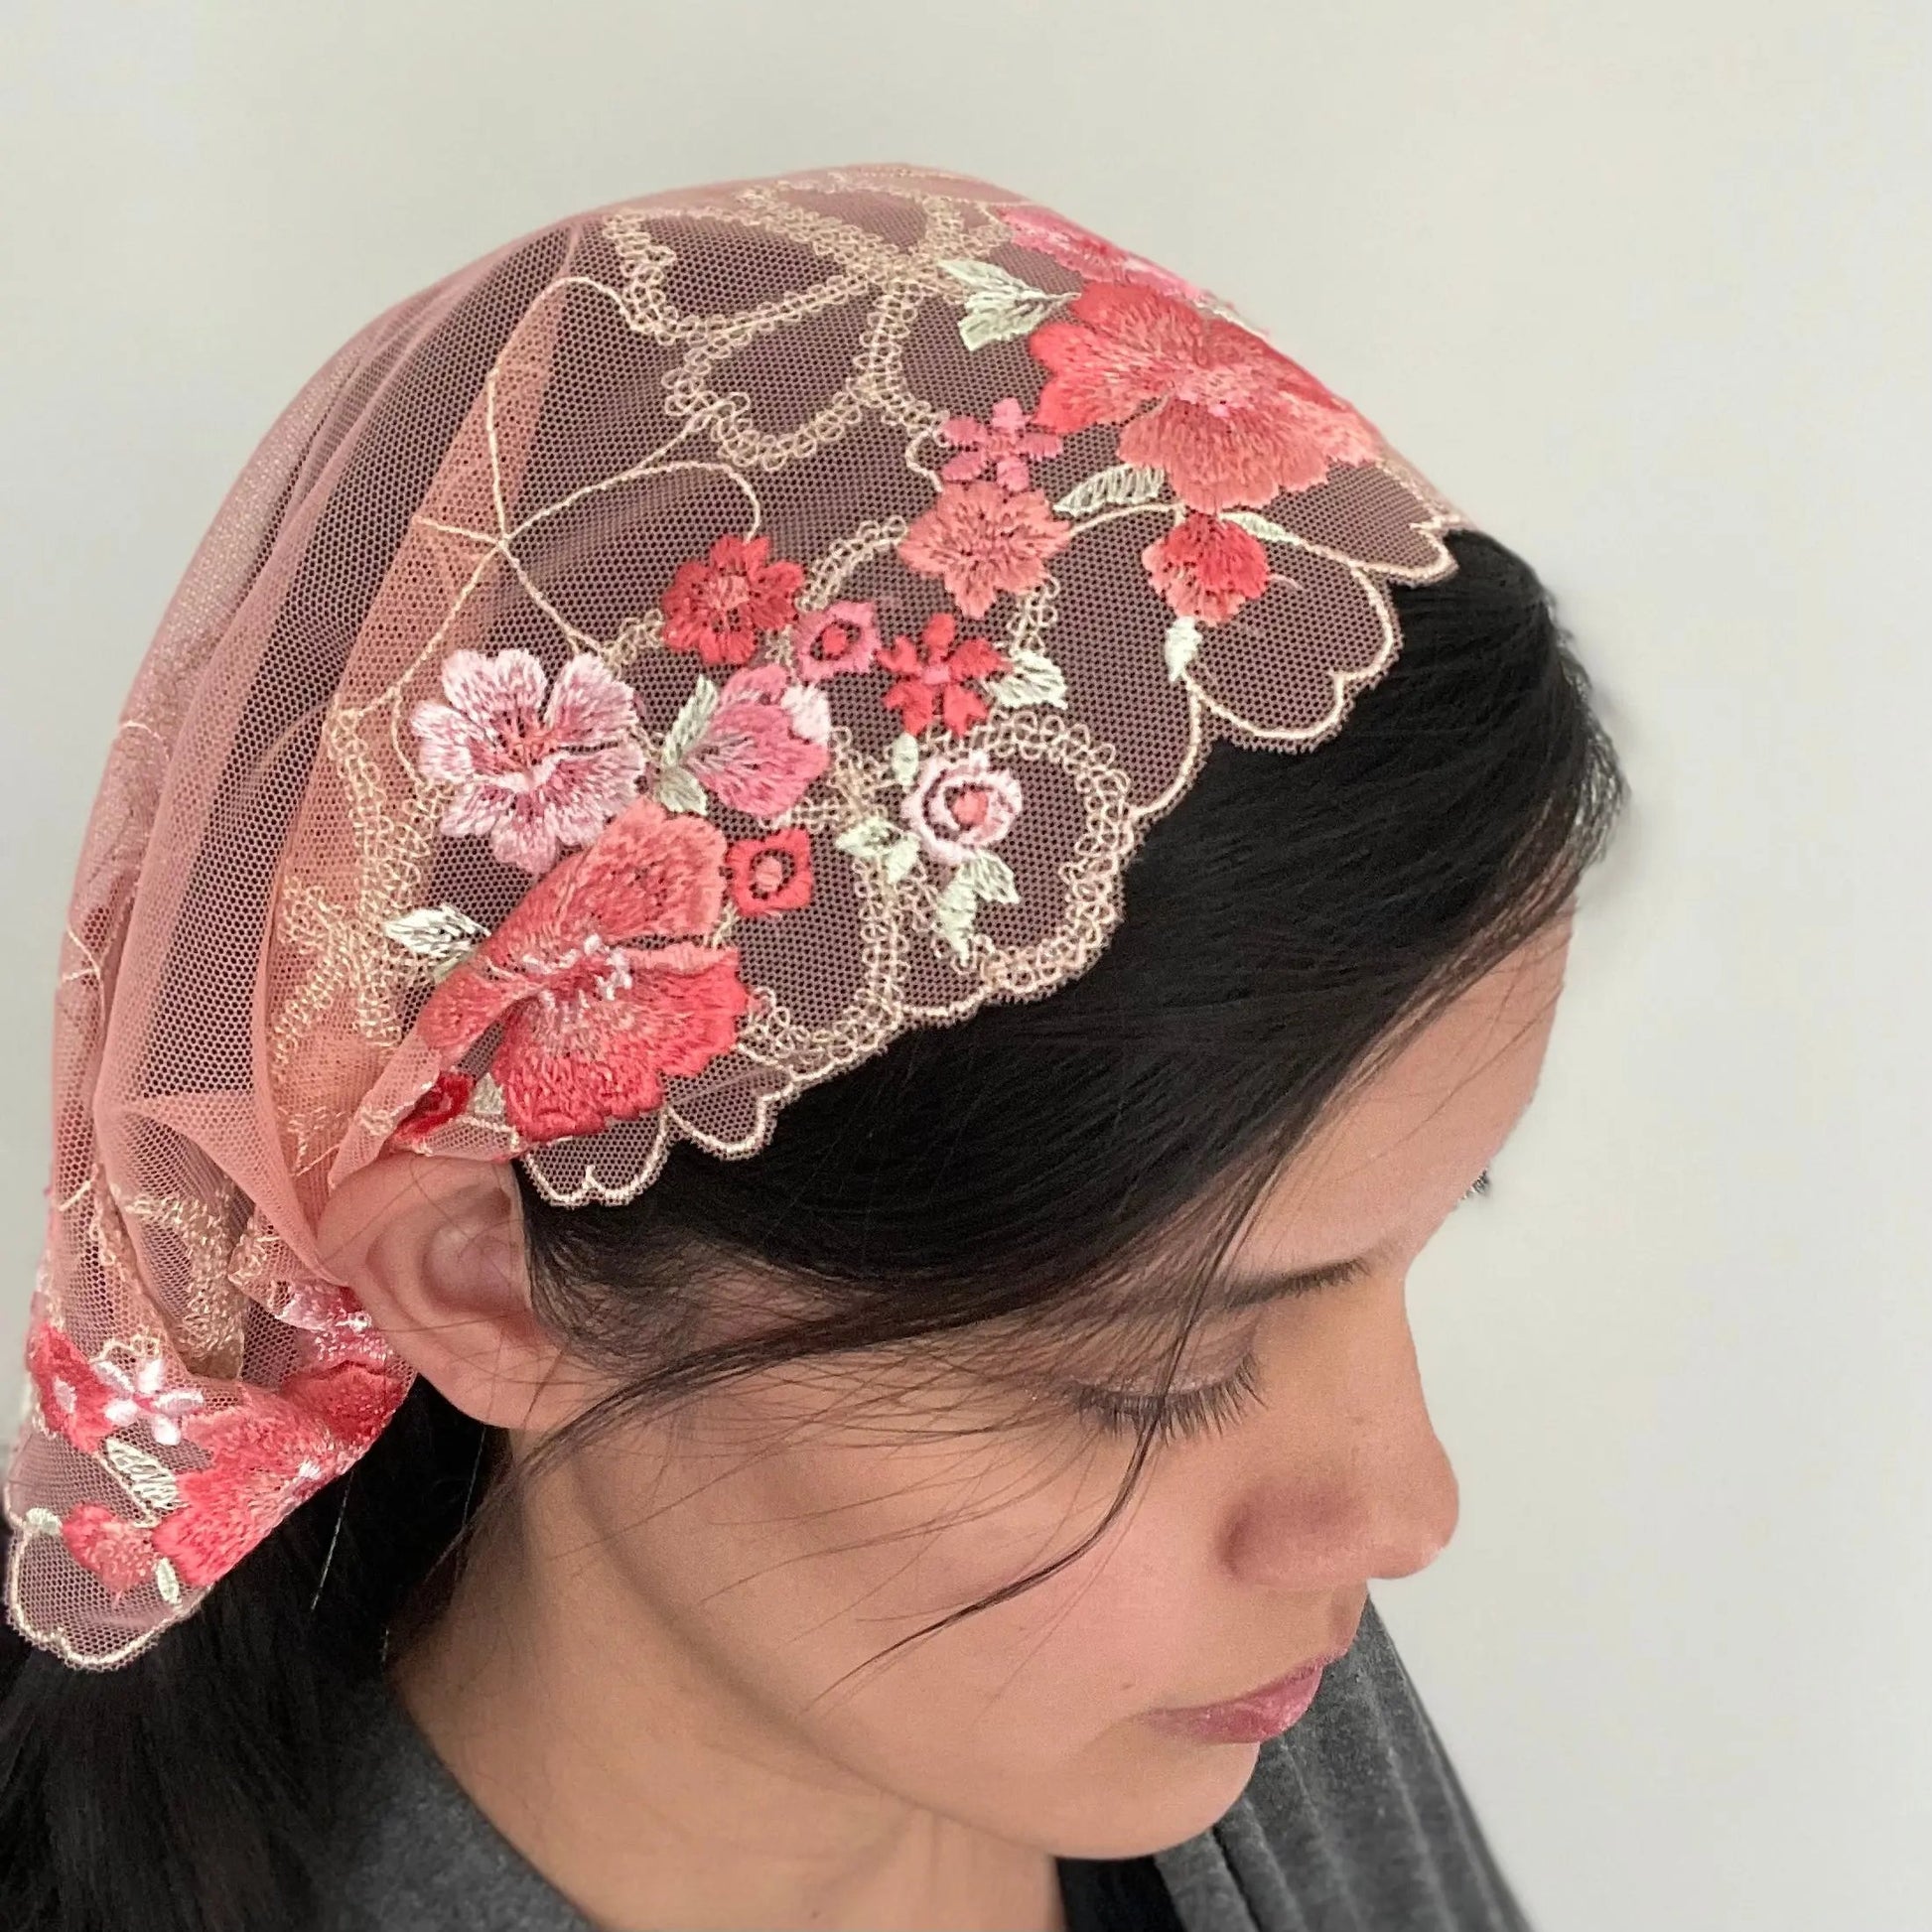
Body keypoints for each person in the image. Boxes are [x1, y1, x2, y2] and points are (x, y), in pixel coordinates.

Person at [0, 163, 1626, 1932]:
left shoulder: (1209, 1701)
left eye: (1415, 1237)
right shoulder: (1134, 1669)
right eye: (1148, 1379)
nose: (1401, 1508)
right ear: (485, 1276)